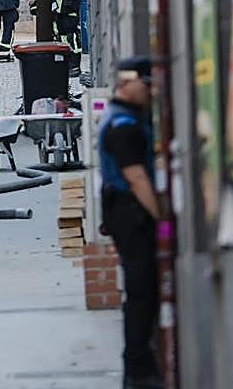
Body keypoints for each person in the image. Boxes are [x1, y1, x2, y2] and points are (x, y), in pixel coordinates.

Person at [99, 56, 161, 389]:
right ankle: (138, 371)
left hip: (124, 211)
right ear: (127, 83)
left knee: (143, 289)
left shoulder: (124, 117)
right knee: (141, 290)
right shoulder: (123, 124)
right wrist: (161, 217)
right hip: (130, 213)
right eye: (146, 85)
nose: (150, 92)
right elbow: (135, 176)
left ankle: (140, 365)